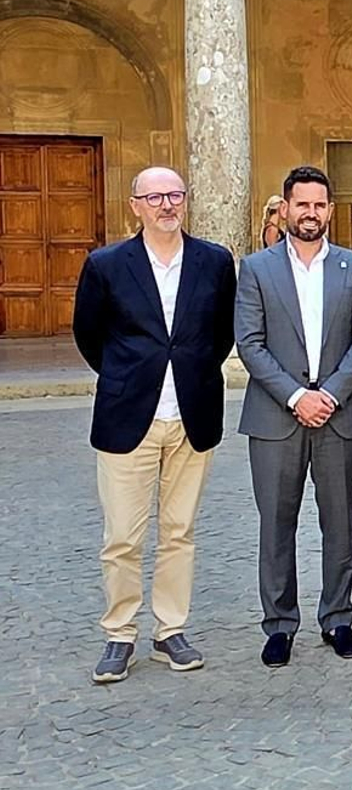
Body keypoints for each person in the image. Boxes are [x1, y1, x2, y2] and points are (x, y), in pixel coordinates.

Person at [71, 166, 236, 685]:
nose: (167, 205)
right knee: (122, 536)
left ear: (186, 201)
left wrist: (192, 372)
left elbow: (222, 333)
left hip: (192, 413)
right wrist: (128, 376)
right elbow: (88, 335)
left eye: (175, 195)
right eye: (155, 197)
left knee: (179, 531)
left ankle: (171, 630)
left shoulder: (213, 261)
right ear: (135, 205)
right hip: (128, 415)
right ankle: (120, 633)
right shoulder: (106, 264)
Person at [234, 166, 352, 667]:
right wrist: (297, 396)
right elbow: (249, 343)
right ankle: (279, 625)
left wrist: (331, 394)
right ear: (284, 208)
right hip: (276, 417)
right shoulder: (256, 269)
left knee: (339, 522)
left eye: (320, 205)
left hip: (340, 416)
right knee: (276, 525)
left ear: (330, 211)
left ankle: (337, 617)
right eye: (302, 204)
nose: (311, 213)